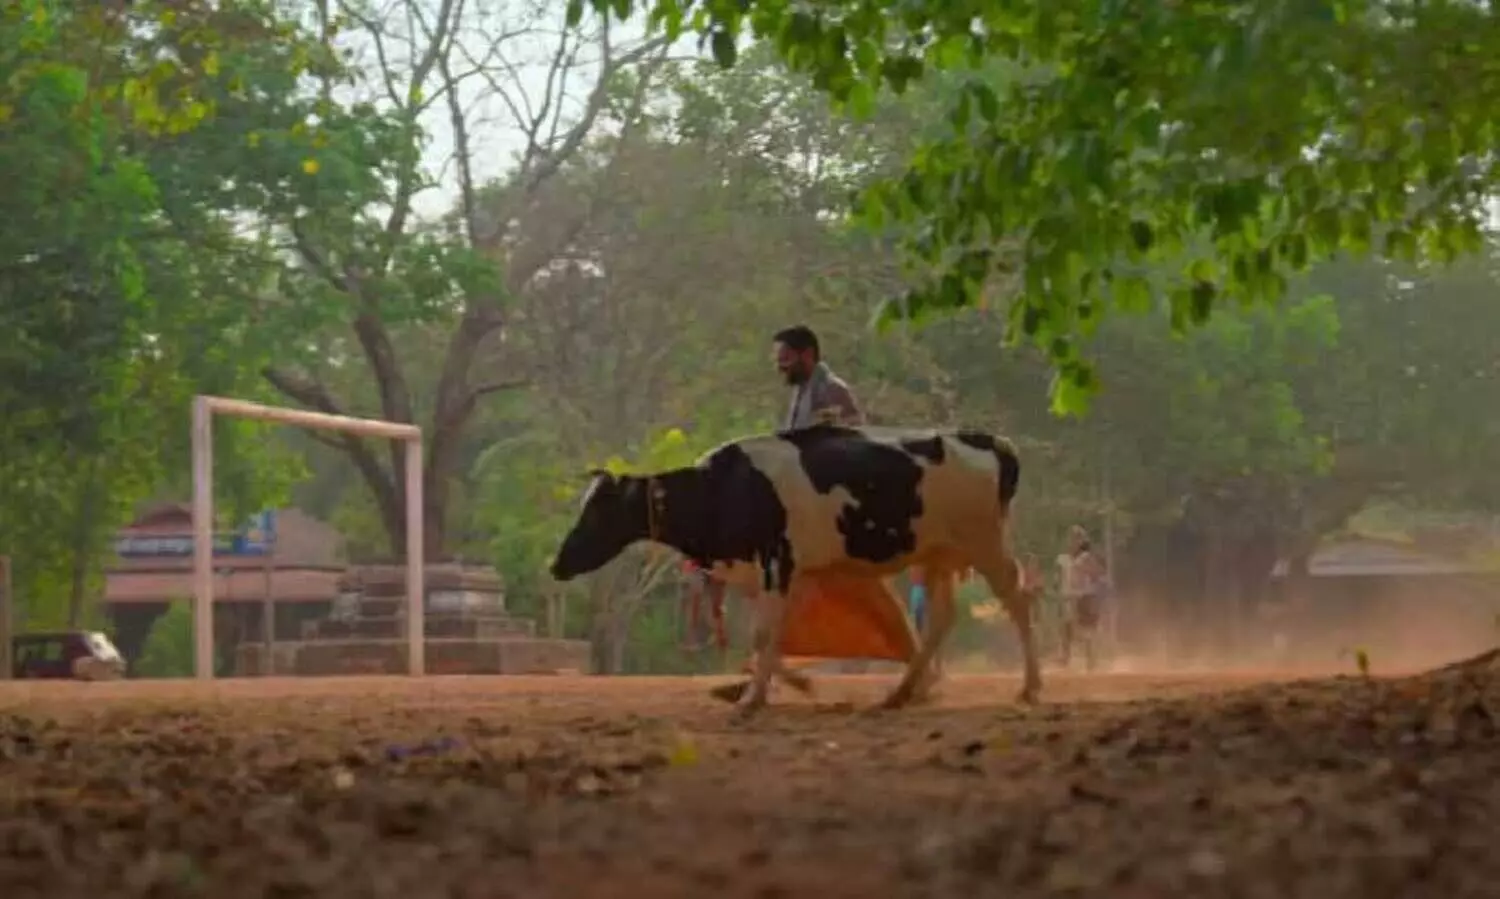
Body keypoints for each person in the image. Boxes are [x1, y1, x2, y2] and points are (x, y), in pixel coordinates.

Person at [774, 324, 864, 428]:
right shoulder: (799, 389)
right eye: (779, 361)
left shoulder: (834, 389)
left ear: (808, 354)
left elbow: (854, 430)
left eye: (786, 359)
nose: (780, 368)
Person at [1057, 525, 1109, 670]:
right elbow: (1062, 579)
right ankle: (1066, 658)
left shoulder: (1086, 557)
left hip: (1084, 596)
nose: (1072, 541)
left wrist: (1088, 573)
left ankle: (1091, 662)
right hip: (1070, 596)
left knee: (1086, 631)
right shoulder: (1065, 559)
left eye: (1076, 538)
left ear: (1081, 541)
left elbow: (1098, 574)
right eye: (1071, 538)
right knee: (1066, 627)